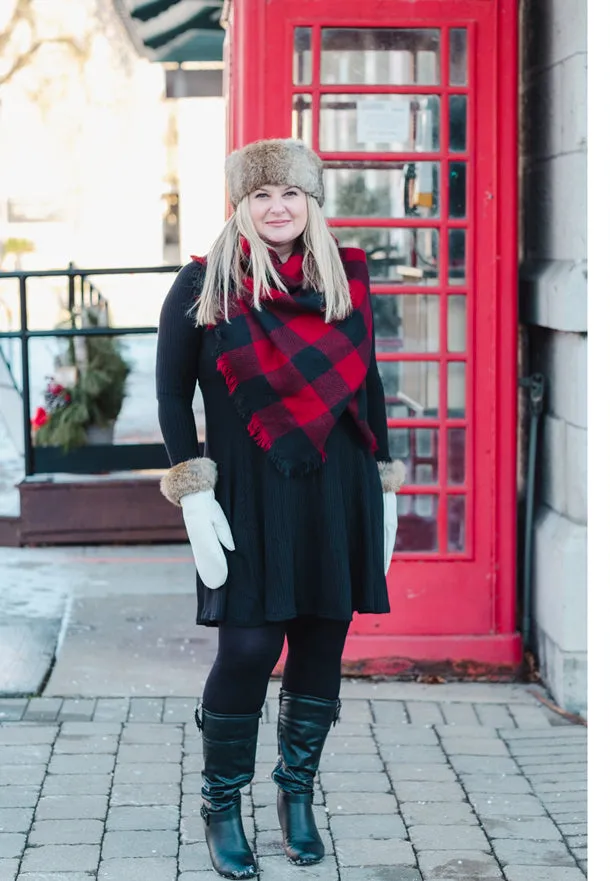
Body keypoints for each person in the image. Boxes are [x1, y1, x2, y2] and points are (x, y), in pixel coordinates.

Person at [156, 138, 405, 879]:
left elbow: (368, 389)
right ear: (240, 204)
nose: (276, 207)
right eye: (261, 195)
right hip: (246, 494)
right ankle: (221, 800)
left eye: (289, 194)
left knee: (321, 648)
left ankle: (297, 793)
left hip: (337, 488)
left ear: (311, 202)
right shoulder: (203, 286)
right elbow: (173, 394)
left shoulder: (343, 281)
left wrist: (385, 486)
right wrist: (191, 488)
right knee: (248, 649)